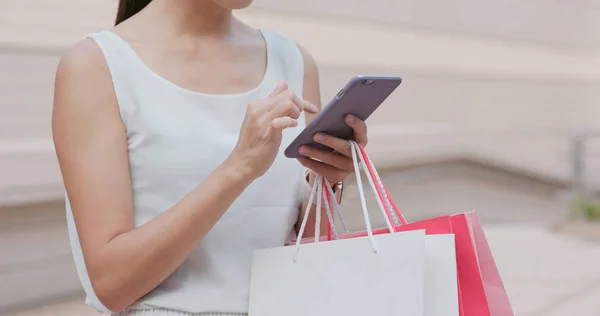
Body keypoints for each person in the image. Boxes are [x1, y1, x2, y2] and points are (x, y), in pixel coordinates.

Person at [52, 0, 369, 315]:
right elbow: (111, 285)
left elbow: (304, 242)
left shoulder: (294, 60)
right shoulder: (97, 66)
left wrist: (327, 178)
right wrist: (238, 169)